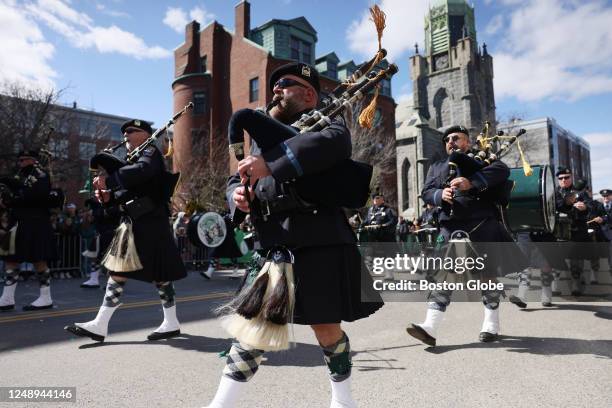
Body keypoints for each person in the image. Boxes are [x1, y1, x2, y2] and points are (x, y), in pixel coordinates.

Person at [204, 62, 383, 408]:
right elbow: (234, 178)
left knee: (326, 330)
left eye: (284, 84)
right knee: (251, 333)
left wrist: (272, 165)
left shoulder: (327, 125)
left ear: (309, 94)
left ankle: (343, 400)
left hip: (318, 241)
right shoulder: (261, 139)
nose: (275, 89)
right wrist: (236, 198)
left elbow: (331, 146)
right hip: (273, 245)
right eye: (275, 85)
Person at [65, 119, 187, 341]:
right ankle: (166, 322)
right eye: (124, 133)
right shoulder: (133, 159)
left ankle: (104, 324)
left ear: (145, 134)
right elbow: (129, 191)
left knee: (143, 272)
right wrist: (108, 196)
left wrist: (110, 179)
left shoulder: (150, 152)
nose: (126, 136)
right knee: (133, 271)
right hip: (137, 221)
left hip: (150, 221)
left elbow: (142, 172)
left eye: (131, 131)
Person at [406, 125, 525, 346]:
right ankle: (430, 326)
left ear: (467, 142)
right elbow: (427, 192)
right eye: (447, 139)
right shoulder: (437, 166)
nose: (451, 141)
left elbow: (502, 171)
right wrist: (441, 194)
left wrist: (472, 182)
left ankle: (491, 323)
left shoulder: (483, 161)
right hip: (450, 227)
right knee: (444, 276)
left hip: (481, 225)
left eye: (456, 138)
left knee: (487, 276)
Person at [0, 150, 58, 311]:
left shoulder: (41, 175)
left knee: (38, 259)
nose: (20, 163)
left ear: (32, 160)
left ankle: (46, 297)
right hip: (17, 222)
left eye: (24, 160)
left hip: (35, 223)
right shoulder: (20, 176)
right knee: (11, 259)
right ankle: (7, 297)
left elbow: (35, 196)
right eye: (19, 160)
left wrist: (15, 191)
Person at [555, 168, 592, 295]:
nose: (564, 180)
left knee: (576, 258)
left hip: (576, 229)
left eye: (566, 177)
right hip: (558, 230)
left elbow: (591, 206)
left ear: (571, 178)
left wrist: (585, 207)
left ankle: (576, 283)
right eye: (561, 178)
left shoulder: (580, 193)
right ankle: (555, 284)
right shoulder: (553, 193)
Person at [598, 189, 612, 274]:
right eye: (604, 196)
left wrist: (603, 219)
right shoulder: (598, 206)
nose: (605, 197)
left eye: (607, 195)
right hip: (601, 233)